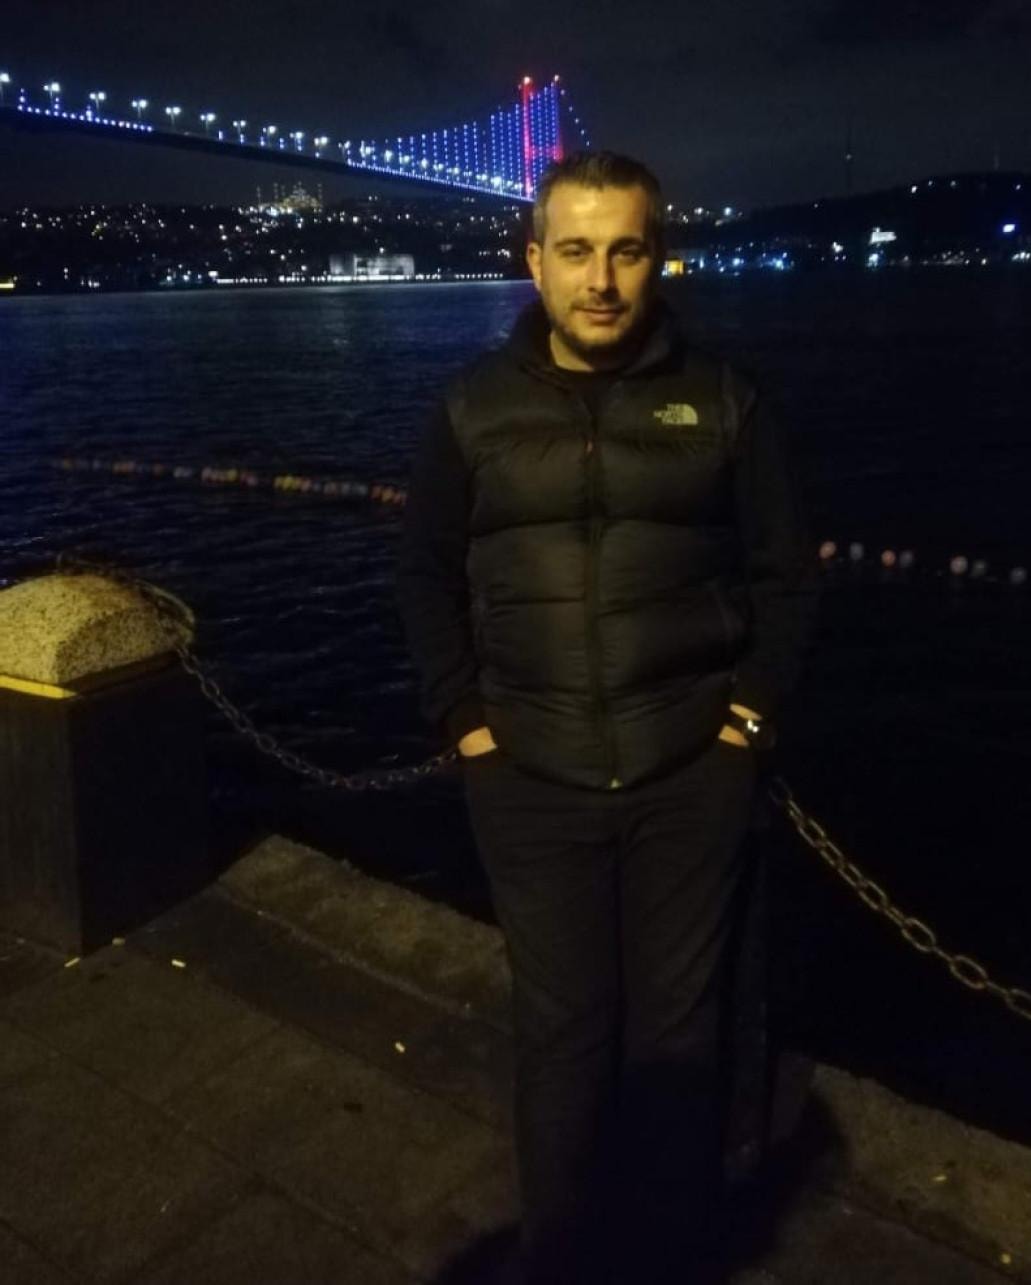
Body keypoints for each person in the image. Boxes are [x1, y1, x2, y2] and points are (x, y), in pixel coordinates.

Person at [397, 150, 820, 1284]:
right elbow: (424, 575)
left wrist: (743, 726)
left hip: (690, 774)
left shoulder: (726, 401)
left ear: (657, 257)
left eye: (625, 250)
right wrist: (468, 727)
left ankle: (669, 1258)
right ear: (533, 260)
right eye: (575, 251)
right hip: (530, 779)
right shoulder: (470, 410)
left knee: (678, 1042)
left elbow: (788, 577)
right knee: (563, 1036)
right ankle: (562, 1257)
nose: (600, 280)